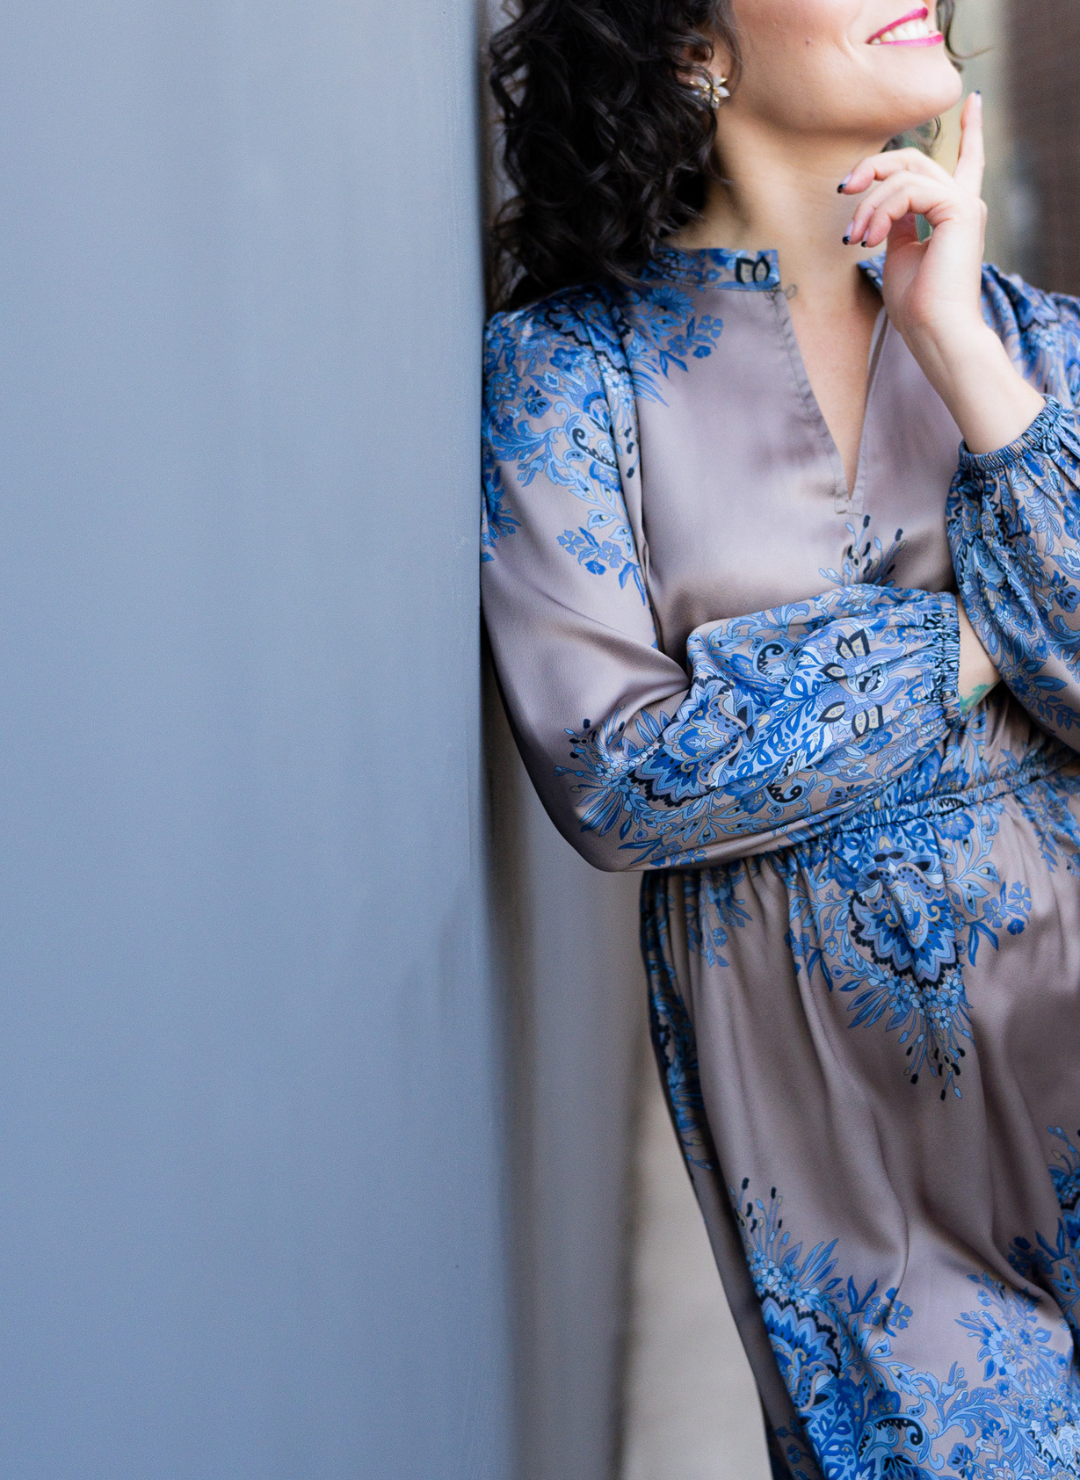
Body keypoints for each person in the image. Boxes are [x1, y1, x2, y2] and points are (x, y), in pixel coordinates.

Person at [481, 1, 1080, 1474]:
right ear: (693, 43)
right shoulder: (573, 374)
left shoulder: (1038, 348)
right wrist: (983, 636)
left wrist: (961, 352)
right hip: (863, 1200)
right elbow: (624, 776)